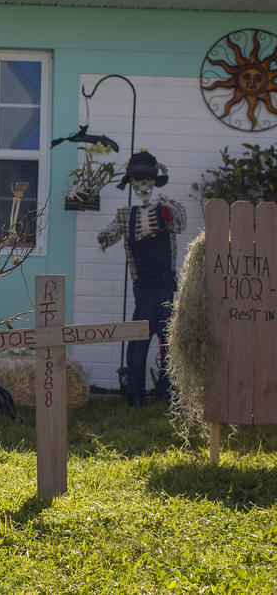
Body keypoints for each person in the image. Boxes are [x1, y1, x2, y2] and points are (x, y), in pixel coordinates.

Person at [97, 151, 186, 406]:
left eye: (148, 180)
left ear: (155, 181)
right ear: (132, 184)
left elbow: (180, 224)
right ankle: (135, 394)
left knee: (168, 340)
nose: (144, 186)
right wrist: (102, 237)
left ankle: (166, 395)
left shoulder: (167, 208)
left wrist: (170, 208)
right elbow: (109, 235)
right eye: (138, 181)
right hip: (143, 288)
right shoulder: (126, 215)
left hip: (165, 285)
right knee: (138, 340)